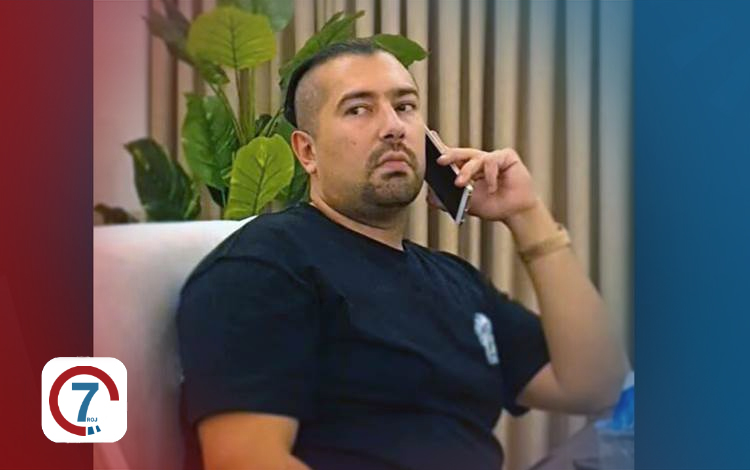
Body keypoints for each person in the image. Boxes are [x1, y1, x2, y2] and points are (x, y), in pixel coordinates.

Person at [176, 40, 630, 470]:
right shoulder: (264, 266)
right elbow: (247, 461)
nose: (393, 126)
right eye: (359, 109)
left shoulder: (456, 282)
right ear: (307, 152)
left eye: (405, 106)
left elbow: (596, 386)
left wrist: (526, 214)